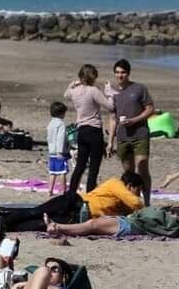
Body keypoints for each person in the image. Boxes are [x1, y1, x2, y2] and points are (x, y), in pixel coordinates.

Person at [0, 171, 145, 232]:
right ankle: (3, 222)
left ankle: (8, 227)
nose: (137, 196)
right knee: (36, 211)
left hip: (79, 215)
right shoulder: (116, 184)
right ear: (130, 186)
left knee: (42, 224)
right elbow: (136, 203)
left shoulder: (121, 203)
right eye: (137, 191)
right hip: (75, 201)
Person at [105, 59, 155, 206]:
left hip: (140, 134)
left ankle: (147, 202)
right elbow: (113, 118)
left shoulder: (139, 88)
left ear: (128, 73)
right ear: (115, 74)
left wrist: (134, 120)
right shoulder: (114, 94)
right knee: (129, 172)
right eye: (118, 72)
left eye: (123, 72)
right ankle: (133, 203)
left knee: (142, 166)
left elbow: (150, 109)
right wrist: (110, 142)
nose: (120, 75)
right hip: (123, 137)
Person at [64, 64, 115, 195]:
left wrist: (74, 83)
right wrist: (109, 92)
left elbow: (66, 94)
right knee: (93, 167)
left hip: (81, 131)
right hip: (94, 130)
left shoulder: (74, 91)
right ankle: (90, 195)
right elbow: (110, 107)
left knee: (80, 166)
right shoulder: (93, 91)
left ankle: (71, 193)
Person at [44, 205, 179, 238]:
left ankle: (58, 227)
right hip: (127, 221)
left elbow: (147, 219)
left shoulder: (171, 224)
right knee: (93, 223)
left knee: (92, 225)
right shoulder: (166, 216)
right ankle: (57, 226)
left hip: (129, 224)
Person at [46, 102, 69, 196]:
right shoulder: (61, 124)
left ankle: (50, 190)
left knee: (52, 172)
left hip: (51, 151)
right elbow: (60, 138)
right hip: (59, 152)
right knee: (62, 172)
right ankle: (64, 190)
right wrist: (60, 151)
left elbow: (49, 138)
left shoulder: (50, 124)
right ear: (62, 113)